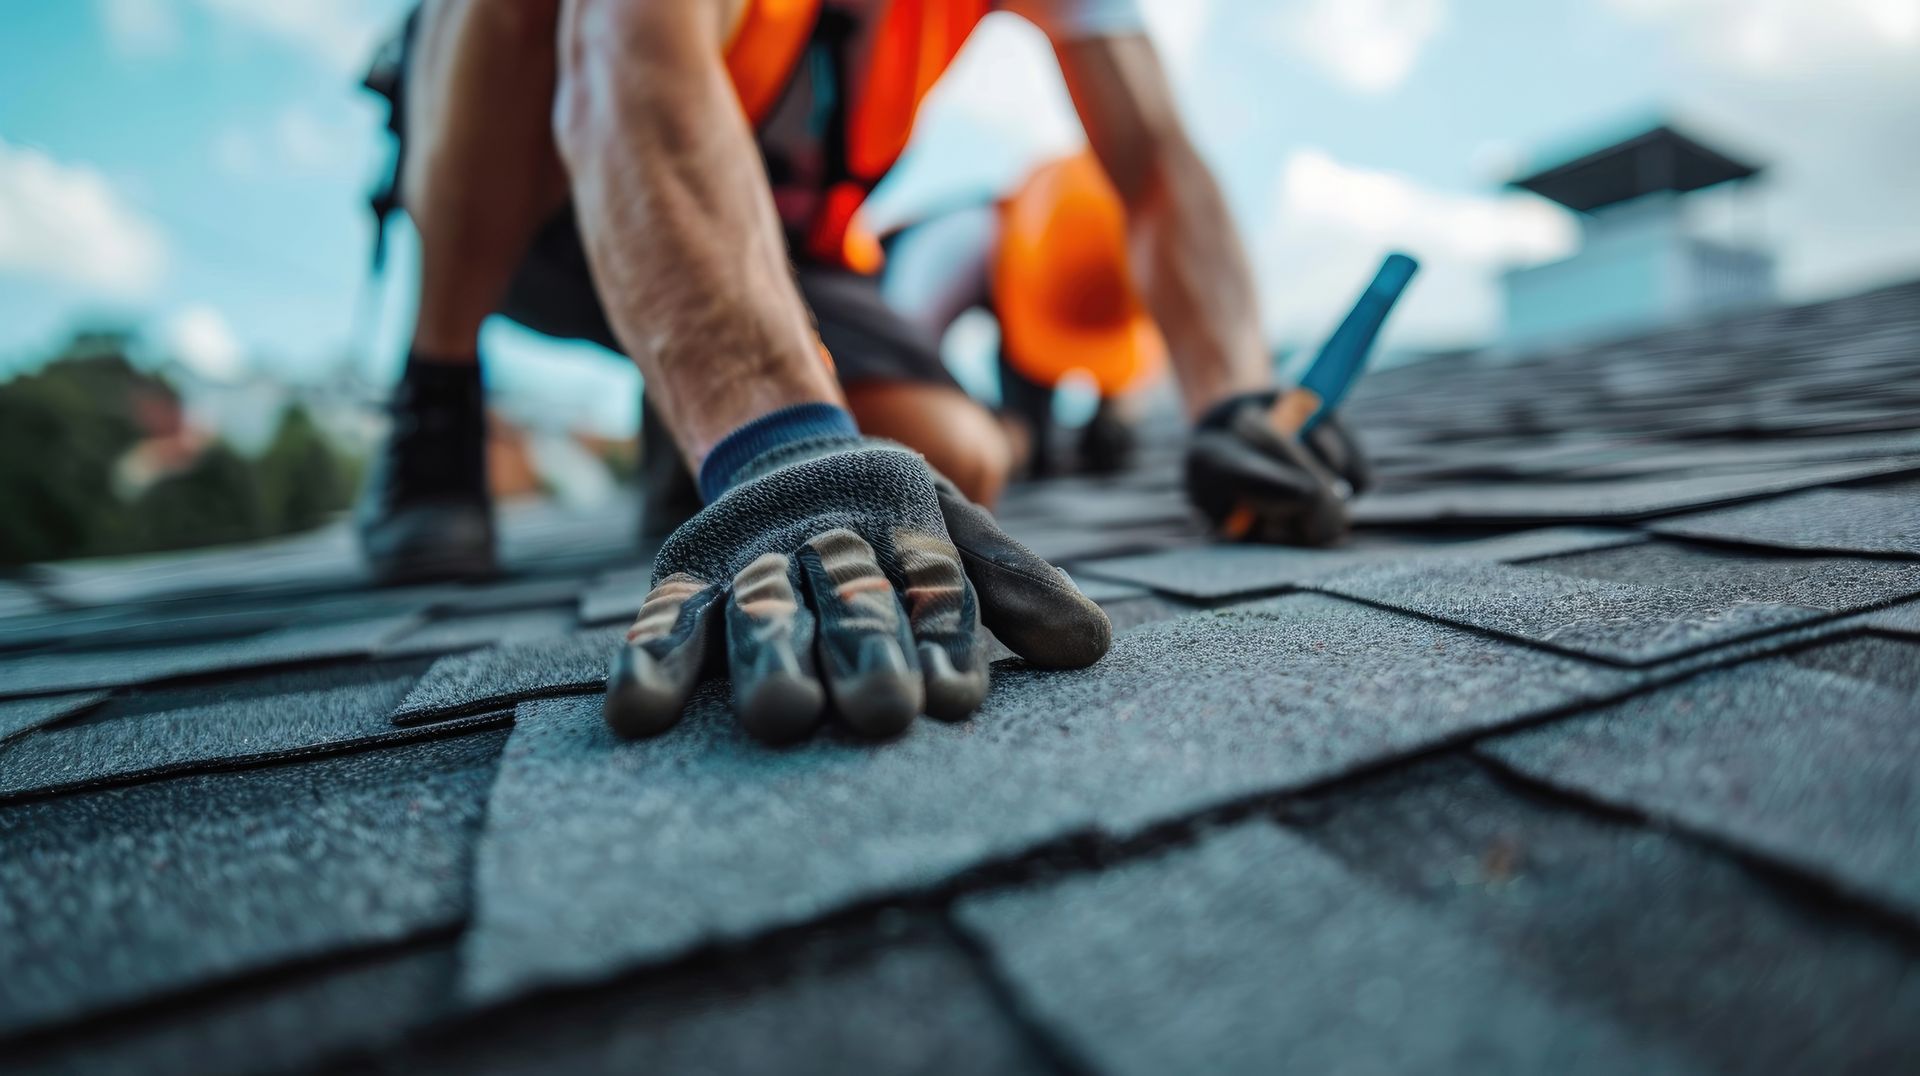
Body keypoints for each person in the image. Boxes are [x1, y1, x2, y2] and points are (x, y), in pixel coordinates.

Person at [360, 0, 1361, 744]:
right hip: (533, 175)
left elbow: (1154, 164)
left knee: (951, 455)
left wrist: (1236, 395)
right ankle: (437, 395)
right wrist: (778, 440)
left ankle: (686, 417)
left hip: (765, 221)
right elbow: (630, 57)